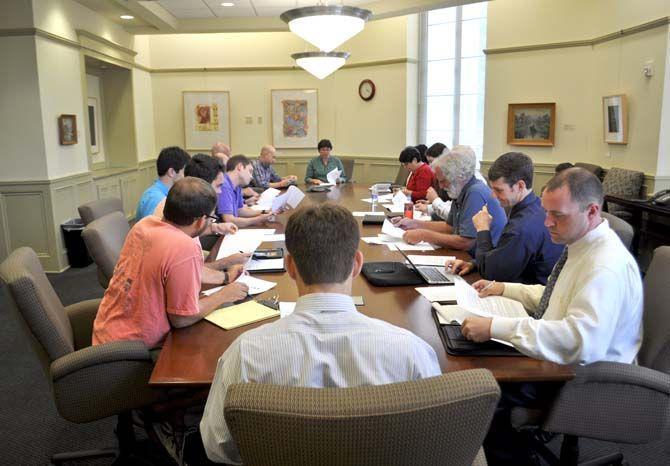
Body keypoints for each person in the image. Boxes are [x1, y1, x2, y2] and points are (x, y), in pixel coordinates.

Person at [199, 204, 441, 464]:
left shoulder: (244, 354)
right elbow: (435, 441)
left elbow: (218, 447)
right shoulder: (412, 352)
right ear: (357, 264)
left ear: (290, 266)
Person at [460, 168, 643, 465]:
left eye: (557, 215)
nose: (547, 223)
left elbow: (577, 340)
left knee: (482, 395)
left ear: (592, 211)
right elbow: (557, 296)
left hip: (588, 379)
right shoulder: (585, 243)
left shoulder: (604, 266)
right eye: (546, 212)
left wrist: (495, 326)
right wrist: (506, 288)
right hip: (567, 363)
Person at [92, 177, 248, 349]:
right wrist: (225, 294)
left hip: (106, 333)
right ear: (200, 220)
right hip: (133, 350)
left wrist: (225, 273)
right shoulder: (183, 247)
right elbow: (182, 318)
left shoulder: (143, 225)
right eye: (212, 218)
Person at [446, 152, 564, 284]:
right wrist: (474, 263)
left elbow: (490, 274)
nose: (493, 196)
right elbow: (505, 253)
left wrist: (482, 229)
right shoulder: (536, 206)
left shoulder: (522, 227)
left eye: (499, 190)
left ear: (520, 186)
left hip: (526, 298)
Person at [392, 145, 506, 255]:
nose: (441, 186)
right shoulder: (461, 191)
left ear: (459, 177)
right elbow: (449, 227)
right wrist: (414, 224)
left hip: (479, 261)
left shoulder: (475, 193)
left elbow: (466, 242)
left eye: (443, 181)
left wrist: (424, 235)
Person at [136, 146, 190, 221]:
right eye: (184, 172)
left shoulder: (165, 194)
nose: (187, 177)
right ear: (171, 172)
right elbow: (153, 231)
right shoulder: (155, 199)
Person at [218, 154, 273, 227]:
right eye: (250, 171)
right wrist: (258, 219)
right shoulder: (224, 186)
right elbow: (229, 220)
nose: (251, 177)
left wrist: (264, 212)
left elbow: (240, 211)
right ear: (240, 167)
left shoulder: (237, 186)